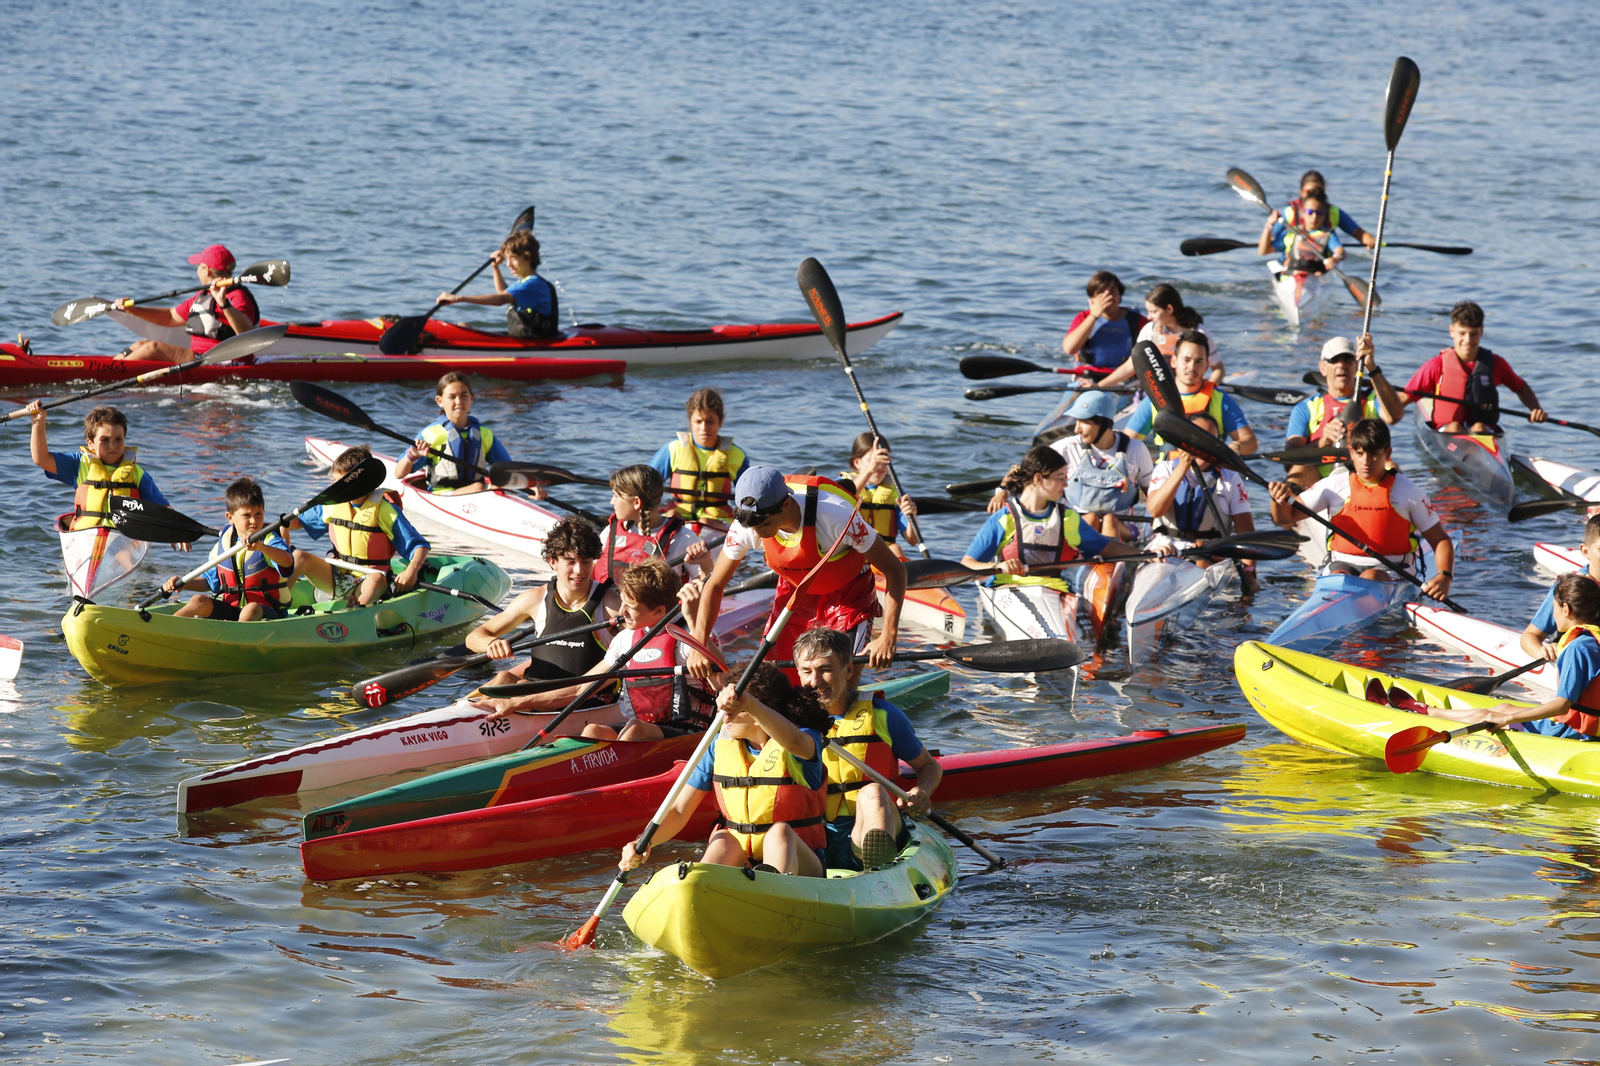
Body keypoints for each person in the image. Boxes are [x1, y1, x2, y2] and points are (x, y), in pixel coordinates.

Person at [689, 466, 905, 681]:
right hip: (795, 594)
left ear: (785, 504)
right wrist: (699, 644)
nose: (758, 533)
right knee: (774, 684)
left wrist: (888, 635)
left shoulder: (836, 516)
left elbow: (895, 570)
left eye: (764, 525)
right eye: (753, 528)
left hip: (848, 598)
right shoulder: (746, 525)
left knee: (839, 683)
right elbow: (715, 585)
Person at [618, 665, 833, 877]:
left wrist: (748, 702)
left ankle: (774, 893)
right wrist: (644, 840)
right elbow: (679, 810)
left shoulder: (802, 739)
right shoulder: (718, 748)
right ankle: (702, 889)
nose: (723, 717)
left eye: (731, 709)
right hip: (746, 863)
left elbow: (795, 742)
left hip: (803, 868)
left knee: (779, 833)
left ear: (759, 712)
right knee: (723, 839)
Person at [792, 627, 942, 871]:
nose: (814, 682)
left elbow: (928, 766)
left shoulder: (884, 715)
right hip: (816, 835)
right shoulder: (788, 724)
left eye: (826, 670)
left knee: (872, 792)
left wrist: (921, 791)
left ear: (848, 669)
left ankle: (877, 871)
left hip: (869, 826)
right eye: (807, 671)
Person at [1267, 418, 1455, 600]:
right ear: (1351, 452)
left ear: (1387, 453)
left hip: (1391, 568)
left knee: (1369, 578)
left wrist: (1444, 576)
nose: (1366, 461)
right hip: (1342, 565)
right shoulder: (1335, 485)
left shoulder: (1408, 492)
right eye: (1360, 453)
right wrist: (1278, 500)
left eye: (1374, 454)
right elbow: (1286, 517)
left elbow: (1440, 539)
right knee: (1340, 579)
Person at [963, 445, 1164, 606]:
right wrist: (998, 566)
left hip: (1054, 593)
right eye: (1060, 478)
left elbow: (1108, 547)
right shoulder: (1003, 518)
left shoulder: (1068, 518)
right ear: (1039, 479)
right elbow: (968, 565)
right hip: (1007, 590)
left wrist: (1151, 556)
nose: (1066, 485)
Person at [554, 560, 724, 741]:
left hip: (692, 732)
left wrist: (695, 622)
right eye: (622, 603)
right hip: (643, 729)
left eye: (630, 607)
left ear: (659, 611)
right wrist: (525, 700)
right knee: (593, 731)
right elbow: (582, 687)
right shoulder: (625, 639)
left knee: (635, 729)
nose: (621, 612)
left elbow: (724, 683)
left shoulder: (695, 634)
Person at [470, 515, 622, 715]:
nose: (579, 570)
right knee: (503, 679)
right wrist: (491, 644)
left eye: (586, 562)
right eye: (570, 561)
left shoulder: (611, 605)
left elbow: (642, 643)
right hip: (535, 692)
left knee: (512, 687)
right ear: (553, 561)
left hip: (585, 700)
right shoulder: (534, 599)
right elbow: (473, 637)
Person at [1431, 573, 1600, 742]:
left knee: (1484, 716)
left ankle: (1427, 717)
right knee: (1504, 707)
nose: (1553, 615)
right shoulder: (1590, 640)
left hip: (1570, 731)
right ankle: (1431, 711)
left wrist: (1508, 719)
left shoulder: (1577, 648)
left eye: (1553, 608)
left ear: (1565, 609)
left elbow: (1562, 705)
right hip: (1581, 723)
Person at [985, 391, 1154, 542]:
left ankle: (1108, 568)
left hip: (1123, 529)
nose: (1077, 429)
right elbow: (1022, 471)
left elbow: (1153, 496)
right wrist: (1002, 493)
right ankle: (1094, 564)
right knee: (1091, 519)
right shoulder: (1066, 448)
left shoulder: (1136, 449)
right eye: (1076, 421)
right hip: (1077, 524)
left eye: (1084, 422)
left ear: (1104, 423)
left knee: (1109, 520)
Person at [289, 445, 430, 607]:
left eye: (340, 483)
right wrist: (276, 525)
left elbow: (419, 546)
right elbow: (298, 522)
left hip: (368, 580)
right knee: (298, 556)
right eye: (335, 482)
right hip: (336, 576)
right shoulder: (333, 505)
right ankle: (277, 602)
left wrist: (411, 572)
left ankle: (351, 612)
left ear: (359, 483)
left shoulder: (384, 510)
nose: (335, 489)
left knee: (377, 579)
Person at [1145, 413, 1260, 593]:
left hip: (1211, 554)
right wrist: (1183, 466)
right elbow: (1155, 510)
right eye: (1197, 438)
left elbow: (1246, 533)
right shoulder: (1165, 469)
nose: (1203, 445)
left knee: (1202, 553)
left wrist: (1249, 572)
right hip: (1167, 548)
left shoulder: (1230, 478)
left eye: (1209, 439)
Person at [29, 404, 178, 536]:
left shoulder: (137, 474)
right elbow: (41, 459)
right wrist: (38, 422)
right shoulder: (78, 465)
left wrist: (177, 530)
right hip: (85, 536)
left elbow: (163, 507)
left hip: (123, 539)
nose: (112, 445)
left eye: (118, 439)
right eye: (105, 440)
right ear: (90, 443)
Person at [1399, 301, 1545, 434]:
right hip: (1447, 432)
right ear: (1452, 331)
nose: (1468, 340)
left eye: (1473, 334)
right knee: (1455, 426)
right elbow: (1403, 399)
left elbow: (1520, 387)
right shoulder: (1436, 366)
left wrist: (1535, 409)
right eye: (1462, 333)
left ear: (1481, 331)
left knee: (1479, 427)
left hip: (1484, 432)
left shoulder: (1496, 364)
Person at [162, 478, 296, 621]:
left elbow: (287, 561)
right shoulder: (224, 544)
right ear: (230, 517)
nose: (254, 520)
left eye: (259, 514)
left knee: (249, 609)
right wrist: (184, 583)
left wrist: (261, 548)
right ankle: (166, 627)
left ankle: (235, 637)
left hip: (267, 612)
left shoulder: (268, 540)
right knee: (198, 600)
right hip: (233, 610)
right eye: (247, 515)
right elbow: (209, 582)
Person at [1283, 335, 1406, 488]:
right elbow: (1288, 463)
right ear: (1322, 368)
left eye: (1347, 359)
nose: (1341, 365)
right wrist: (1321, 443)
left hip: (1367, 477)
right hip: (1321, 481)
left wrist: (1372, 368)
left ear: (1356, 366)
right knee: (1298, 471)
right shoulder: (1306, 408)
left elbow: (1395, 416)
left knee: (1391, 467)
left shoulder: (1373, 399)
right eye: (1334, 360)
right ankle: (1292, 510)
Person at [112, 245, 261, 363]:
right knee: (140, 345)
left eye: (198, 265)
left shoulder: (238, 297)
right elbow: (170, 317)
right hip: (199, 358)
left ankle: (113, 374)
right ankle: (107, 368)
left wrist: (223, 303)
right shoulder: (204, 295)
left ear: (206, 270)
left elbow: (246, 333)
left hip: (222, 361)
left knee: (154, 348)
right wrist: (134, 310)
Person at [1124, 333, 1257, 457]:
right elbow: (1126, 442)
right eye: (1186, 360)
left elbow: (1251, 443)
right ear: (1174, 361)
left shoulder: (1222, 400)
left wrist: (1236, 447)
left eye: (1199, 361)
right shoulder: (1154, 399)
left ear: (1206, 366)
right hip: (1168, 475)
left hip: (1209, 474)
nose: (1192, 367)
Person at [392, 372, 512, 495]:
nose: (459, 401)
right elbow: (398, 474)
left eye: (464, 395)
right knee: (478, 487)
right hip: (444, 495)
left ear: (471, 398)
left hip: (477, 495)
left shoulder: (484, 434)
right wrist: (412, 455)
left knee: (497, 485)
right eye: (452, 397)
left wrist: (531, 485)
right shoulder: (431, 434)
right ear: (440, 401)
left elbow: (509, 469)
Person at [648, 388, 750, 529]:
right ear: (690, 422)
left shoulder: (736, 455)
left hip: (718, 520)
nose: (704, 428)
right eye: (698, 421)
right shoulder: (673, 450)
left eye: (710, 422)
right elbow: (646, 483)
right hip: (679, 516)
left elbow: (750, 497)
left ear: (720, 422)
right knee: (671, 516)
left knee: (705, 522)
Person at [594, 464, 709, 584]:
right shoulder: (610, 531)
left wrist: (706, 563)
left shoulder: (683, 538)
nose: (611, 501)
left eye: (616, 496)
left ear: (636, 502)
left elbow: (705, 584)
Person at [435, 231, 561, 339]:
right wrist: (495, 267)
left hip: (536, 345)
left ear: (528, 257)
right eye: (507, 259)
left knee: (461, 330)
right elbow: (503, 292)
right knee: (462, 327)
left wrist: (458, 298)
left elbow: (501, 299)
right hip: (521, 340)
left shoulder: (533, 284)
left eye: (514, 258)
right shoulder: (523, 282)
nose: (508, 265)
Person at [1097, 283, 1222, 387]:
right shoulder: (1149, 330)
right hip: (1158, 391)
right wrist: (1099, 386)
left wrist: (1210, 390)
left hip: (1189, 390)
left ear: (1169, 309)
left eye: (1154, 311)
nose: (1149, 317)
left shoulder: (1199, 332)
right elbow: (1131, 365)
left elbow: (1218, 369)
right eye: (1148, 311)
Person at [1520, 514, 1600, 663]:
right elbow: (1530, 636)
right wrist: (1543, 652)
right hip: (1576, 662)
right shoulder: (1570, 590)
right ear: (1585, 551)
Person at [838, 432, 919, 561]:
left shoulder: (895, 491)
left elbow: (912, 540)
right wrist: (870, 470)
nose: (879, 466)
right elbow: (845, 497)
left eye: (883, 460)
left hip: (882, 557)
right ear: (857, 462)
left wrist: (912, 517)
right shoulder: (844, 484)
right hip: (852, 553)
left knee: (895, 548)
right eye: (872, 460)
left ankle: (896, 576)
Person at [1061, 271, 1148, 373]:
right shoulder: (1083, 317)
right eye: (1101, 293)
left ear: (1120, 295)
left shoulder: (1136, 320)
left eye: (1113, 292)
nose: (1108, 297)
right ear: (1092, 298)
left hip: (1124, 376)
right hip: (1087, 375)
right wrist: (1093, 316)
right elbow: (1069, 349)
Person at [1282, 170, 1376, 249]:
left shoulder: (1333, 212)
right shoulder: (1289, 212)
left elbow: (1359, 233)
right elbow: (1271, 242)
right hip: (1292, 264)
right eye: (1309, 192)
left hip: (1324, 263)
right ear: (1301, 192)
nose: (1315, 195)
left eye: (1319, 191)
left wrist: (1370, 240)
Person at [1260, 188, 1344, 275]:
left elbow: (1339, 250)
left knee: (1318, 273)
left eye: (1319, 213)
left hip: (1317, 277)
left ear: (1324, 214)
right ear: (1302, 213)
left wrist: (1335, 258)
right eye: (1310, 212)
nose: (1314, 217)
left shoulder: (1329, 234)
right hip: (1292, 277)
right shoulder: (1292, 233)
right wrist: (1269, 225)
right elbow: (1263, 251)